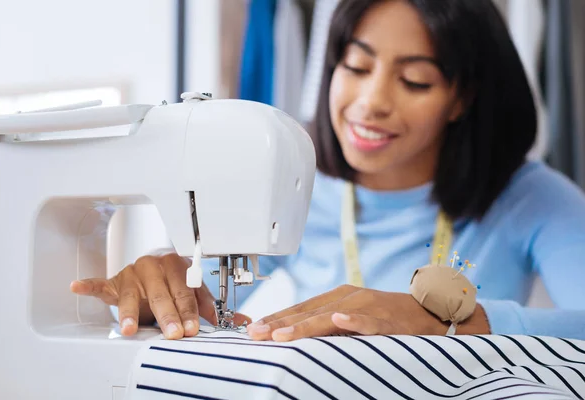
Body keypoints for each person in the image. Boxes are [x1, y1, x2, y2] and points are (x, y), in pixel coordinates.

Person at [70, 0, 585, 342]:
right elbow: (204, 295)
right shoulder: (293, 189)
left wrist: (452, 321)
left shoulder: (531, 198)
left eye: (414, 80)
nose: (370, 102)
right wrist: (165, 276)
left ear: (461, 99)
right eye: (355, 68)